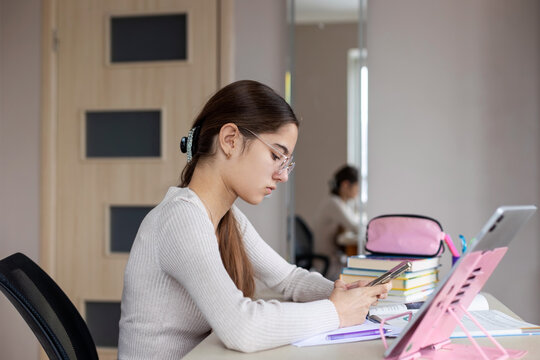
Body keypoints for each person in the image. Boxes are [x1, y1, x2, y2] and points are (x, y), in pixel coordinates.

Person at [118, 80, 390, 359]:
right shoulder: (181, 218)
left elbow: (289, 280)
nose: (283, 175)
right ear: (230, 140)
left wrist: (346, 293)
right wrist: (337, 312)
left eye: (286, 163)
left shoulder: (227, 218)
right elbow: (242, 327)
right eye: (276, 155)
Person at [313, 165, 361, 280]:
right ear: (345, 185)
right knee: (361, 273)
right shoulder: (334, 203)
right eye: (356, 186)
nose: (358, 191)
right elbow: (356, 227)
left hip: (333, 260)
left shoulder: (339, 203)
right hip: (328, 264)